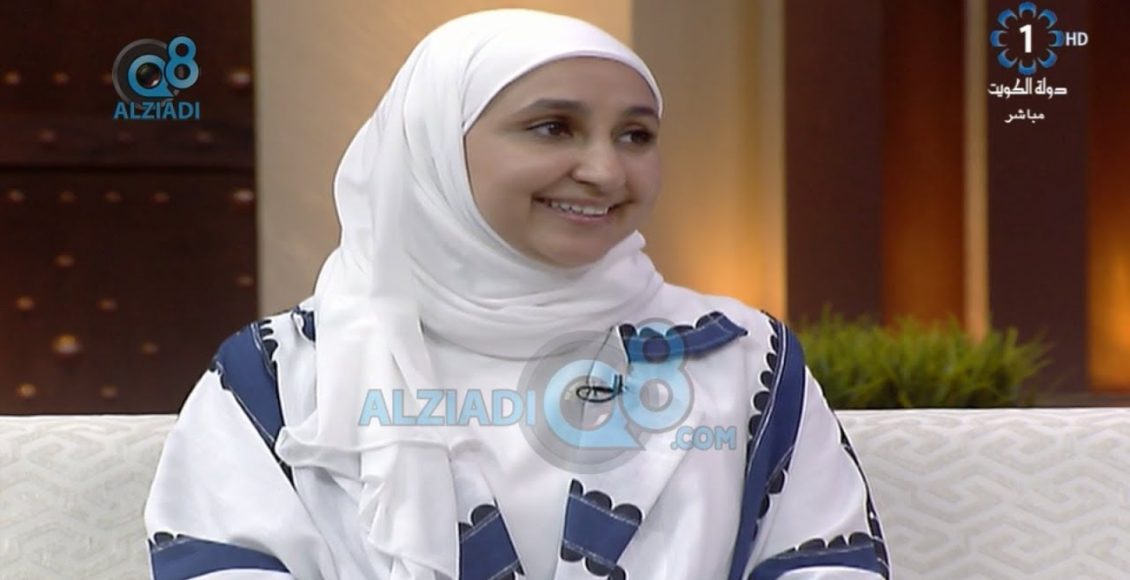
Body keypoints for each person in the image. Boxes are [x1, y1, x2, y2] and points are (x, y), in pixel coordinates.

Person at [144, 8, 889, 580]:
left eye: (636, 136)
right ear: (435, 144)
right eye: (553, 128)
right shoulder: (282, 372)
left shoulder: (741, 355)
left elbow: (825, 562)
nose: (605, 171)